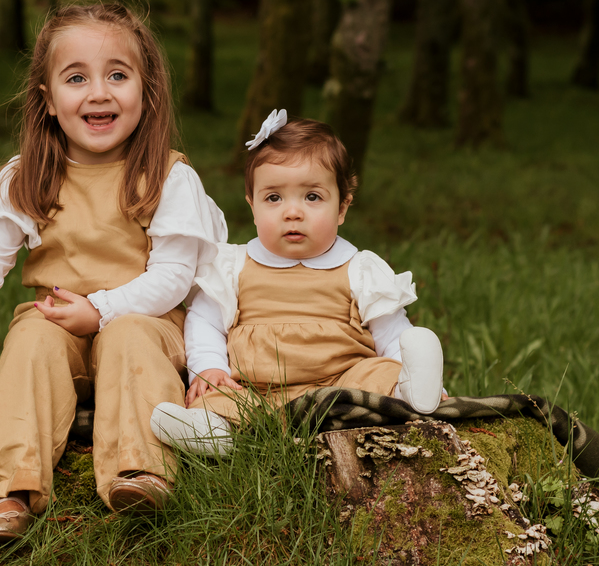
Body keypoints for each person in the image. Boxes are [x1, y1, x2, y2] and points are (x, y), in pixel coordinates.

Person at [0, 2, 225, 542]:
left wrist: (102, 311)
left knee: (129, 338)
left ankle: (140, 470)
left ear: (147, 92)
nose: (99, 93)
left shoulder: (166, 176)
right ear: (48, 98)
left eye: (118, 76)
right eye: (77, 78)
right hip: (58, 318)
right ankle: (10, 491)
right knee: (32, 338)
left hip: (145, 320)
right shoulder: (28, 176)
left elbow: (174, 275)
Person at [150, 110, 444, 455]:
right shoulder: (232, 266)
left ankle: (412, 390)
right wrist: (209, 368)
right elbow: (204, 322)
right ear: (253, 207)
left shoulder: (359, 269)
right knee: (221, 396)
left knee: (379, 372)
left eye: (312, 197)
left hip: (341, 384)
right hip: (256, 390)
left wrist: (399, 365)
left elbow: (391, 333)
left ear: (342, 208)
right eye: (274, 198)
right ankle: (213, 430)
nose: (292, 212)